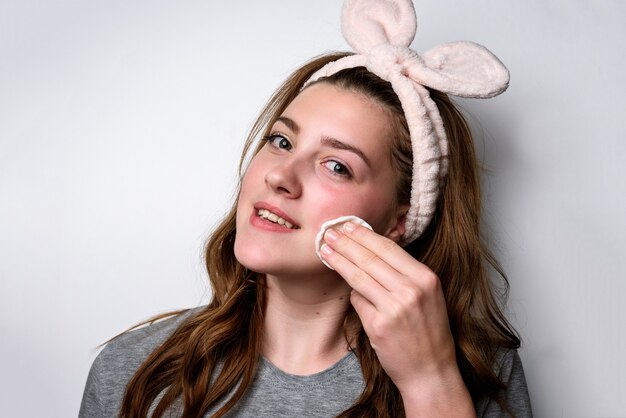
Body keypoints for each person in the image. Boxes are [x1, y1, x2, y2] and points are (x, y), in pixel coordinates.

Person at [79, 1, 532, 417]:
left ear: (399, 221)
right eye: (281, 141)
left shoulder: (479, 374)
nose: (280, 176)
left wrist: (429, 384)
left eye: (336, 166)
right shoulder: (132, 372)